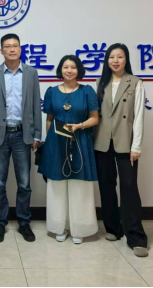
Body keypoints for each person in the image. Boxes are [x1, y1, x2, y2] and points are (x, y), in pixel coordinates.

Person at [0, 34, 42, 244]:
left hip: (22, 135)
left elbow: (36, 105)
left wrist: (37, 134)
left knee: (24, 183)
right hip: (0, 135)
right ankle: (0, 223)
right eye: (7, 46)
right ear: (1, 51)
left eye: (15, 46)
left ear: (20, 49)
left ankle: (24, 222)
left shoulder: (31, 73)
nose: (11, 49)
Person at [93, 44, 148, 257]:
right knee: (106, 186)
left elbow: (139, 115)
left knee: (129, 187)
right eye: (111, 57)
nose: (115, 61)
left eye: (120, 57)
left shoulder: (135, 82)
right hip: (102, 142)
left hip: (126, 142)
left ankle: (136, 236)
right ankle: (113, 228)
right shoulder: (100, 82)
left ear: (126, 60)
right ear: (106, 60)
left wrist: (137, 145)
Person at [38, 55, 99, 245]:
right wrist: (50, 142)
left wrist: (79, 126)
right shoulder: (52, 92)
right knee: (57, 185)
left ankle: (79, 227)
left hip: (80, 140)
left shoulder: (87, 91)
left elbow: (95, 118)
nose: (69, 70)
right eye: (65, 67)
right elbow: (49, 119)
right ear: (61, 70)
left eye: (73, 67)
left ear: (78, 70)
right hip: (56, 143)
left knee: (79, 185)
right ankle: (60, 226)